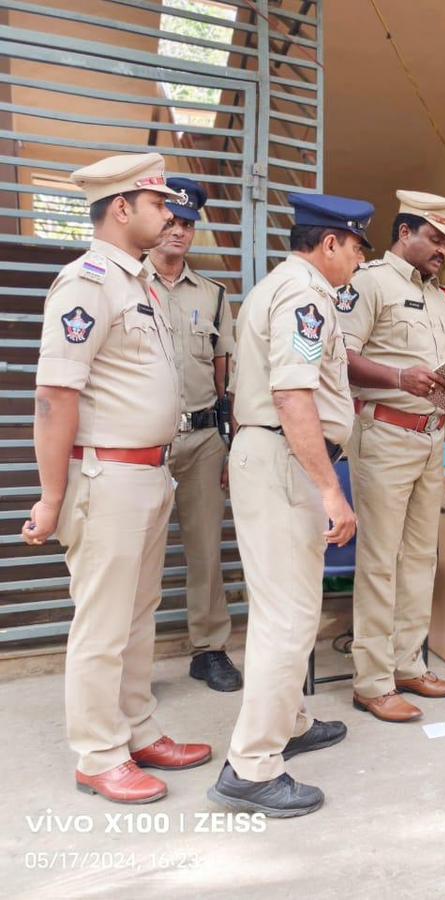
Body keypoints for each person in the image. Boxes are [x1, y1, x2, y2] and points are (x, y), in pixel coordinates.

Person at [23, 153, 212, 804]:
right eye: (159, 204)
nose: (171, 216)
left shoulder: (138, 283)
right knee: (103, 625)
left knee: (138, 616)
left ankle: (135, 729)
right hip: (107, 479)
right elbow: (55, 396)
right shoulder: (88, 283)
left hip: (150, 475)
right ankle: (97, 755)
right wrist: (52, 497)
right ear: (123, 208)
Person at [208, 193, 370, 817]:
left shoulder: (284, 286)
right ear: (330, 242)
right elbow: (293, 396)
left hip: (275, 456)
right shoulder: (304, 294)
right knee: (288, 618)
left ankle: (291, 722)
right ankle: (251, 766)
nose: (358, 261)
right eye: (357, 248)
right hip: (287, 460)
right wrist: (331, 489)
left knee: (287, 605)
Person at [338, 189, 445, 722]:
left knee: (422, 557)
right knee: (380, 562)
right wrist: (398, 378)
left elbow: (442, 373)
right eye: (434, 238)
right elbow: (341, 356)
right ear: (404, 232)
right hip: (384, 434)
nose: (442, 250)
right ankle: (372, 681)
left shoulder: (438, 297)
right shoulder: (368, 282)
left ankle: (408, 664)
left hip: (432, 437)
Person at [145, 177, 241, 692]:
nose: (178, 232)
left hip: (203, 438)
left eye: (187, 225)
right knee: (138, 553)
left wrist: (228, 436)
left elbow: (224, 367)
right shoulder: (126, 285)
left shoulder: (213, 294)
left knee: (206, 551)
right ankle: (131, 661)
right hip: (146, 442)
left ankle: (209, 649)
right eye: (171, 221)